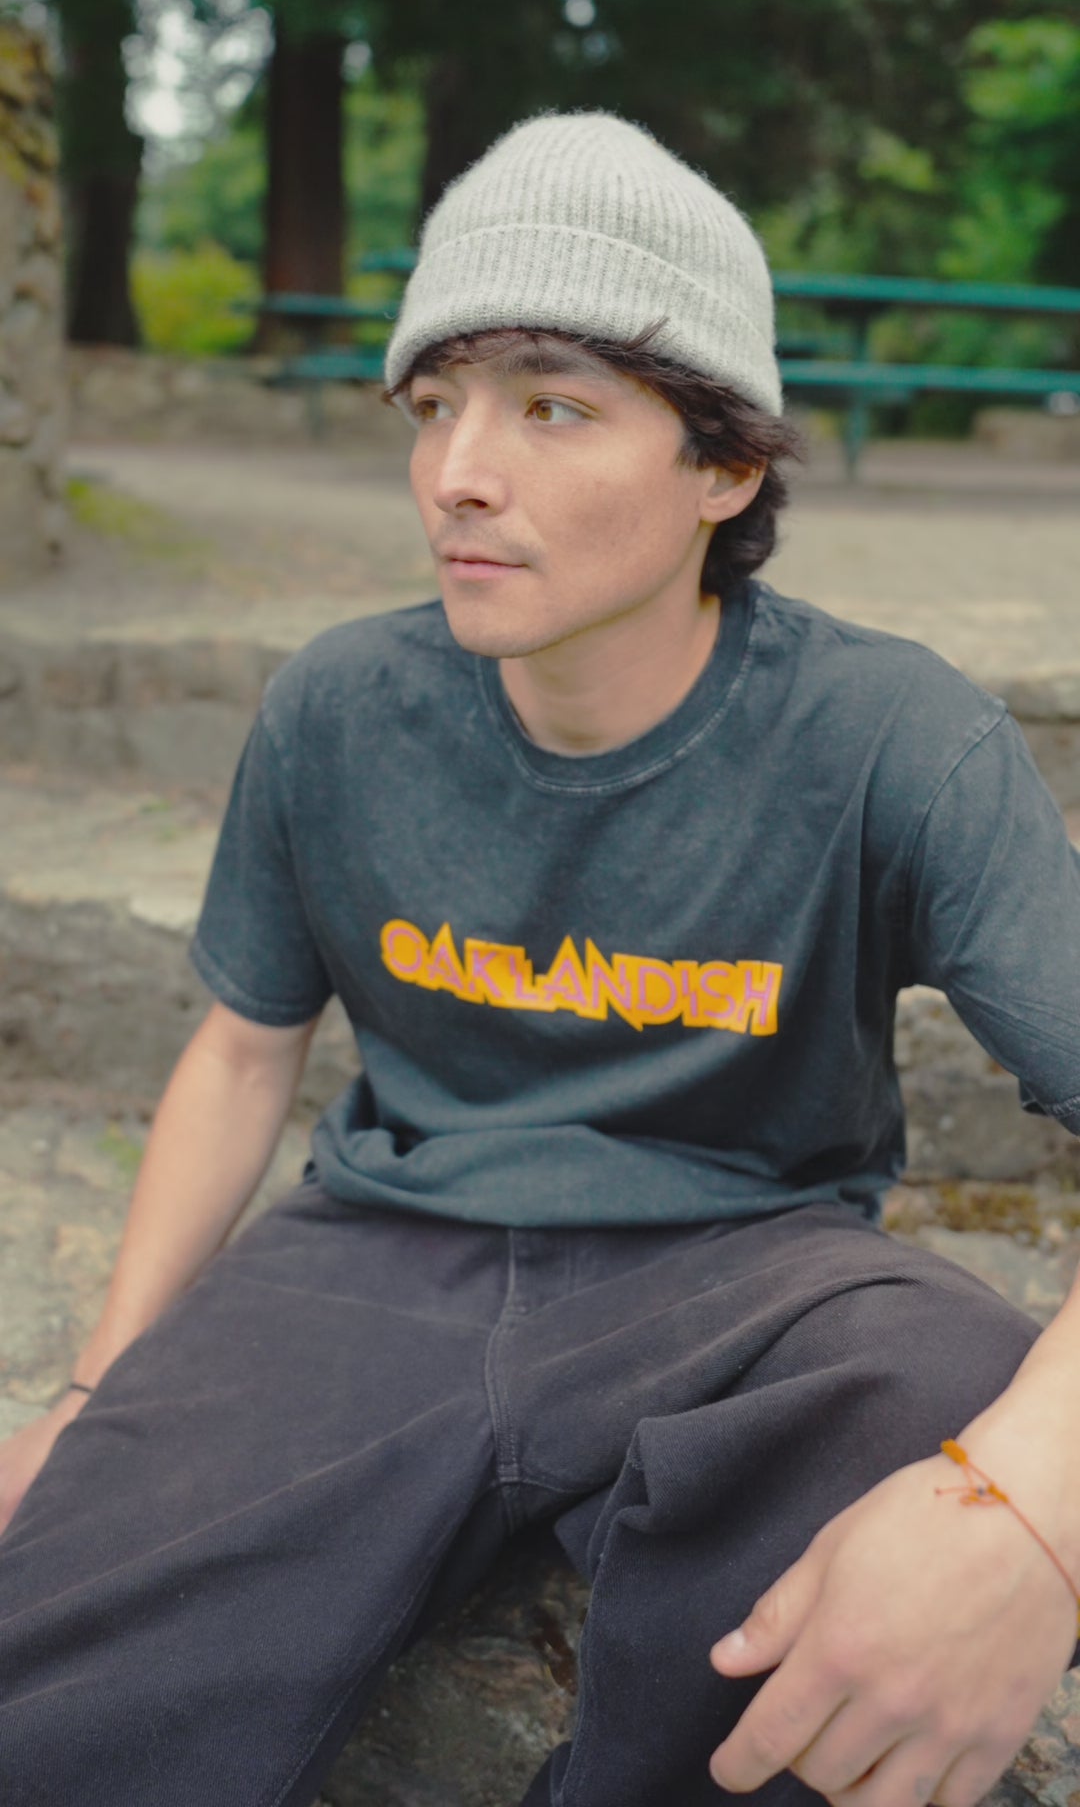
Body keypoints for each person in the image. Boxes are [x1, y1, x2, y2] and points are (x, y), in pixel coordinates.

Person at [0, 110, 1078, 1807]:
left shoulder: (893, 738)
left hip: (743, 1261)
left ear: (725, 469)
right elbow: (238, 1047)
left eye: (552, 403)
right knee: (49, 1682)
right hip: (374, 1255)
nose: (457, 474)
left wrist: (1037, 1508)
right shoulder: (339, 710)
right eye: (436, 405)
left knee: (949, 1380)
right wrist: (89, 1387)